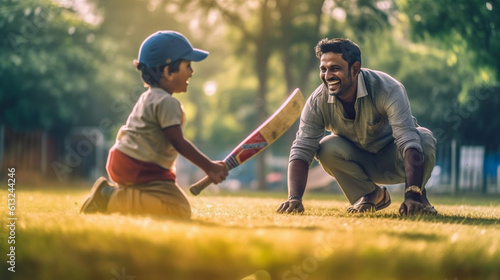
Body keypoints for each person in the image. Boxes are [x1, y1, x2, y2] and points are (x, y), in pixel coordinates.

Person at [276, 38, 437, 216]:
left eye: (335, 69)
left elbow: (408, 140)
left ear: (355, 69)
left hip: (397, 161)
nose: (328, 76)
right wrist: (294, 198)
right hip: (360, 165)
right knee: (326, 147)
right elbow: (302, 148)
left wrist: (412, 193)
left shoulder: (388, 89)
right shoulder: (317, 101)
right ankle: (369, 194)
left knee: (424, 138)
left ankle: (418, 198)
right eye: (323, 69)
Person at [80, 31, 228, 220]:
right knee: (177, 210)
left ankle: (117, 196)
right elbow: (178, 142)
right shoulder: (166, 102)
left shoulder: (149, 96)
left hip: (128, 160)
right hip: (139, 166)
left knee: (176, 206)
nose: (192, 71)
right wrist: (209, 167)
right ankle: (108, 198)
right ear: (168, 71)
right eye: (188, 65)